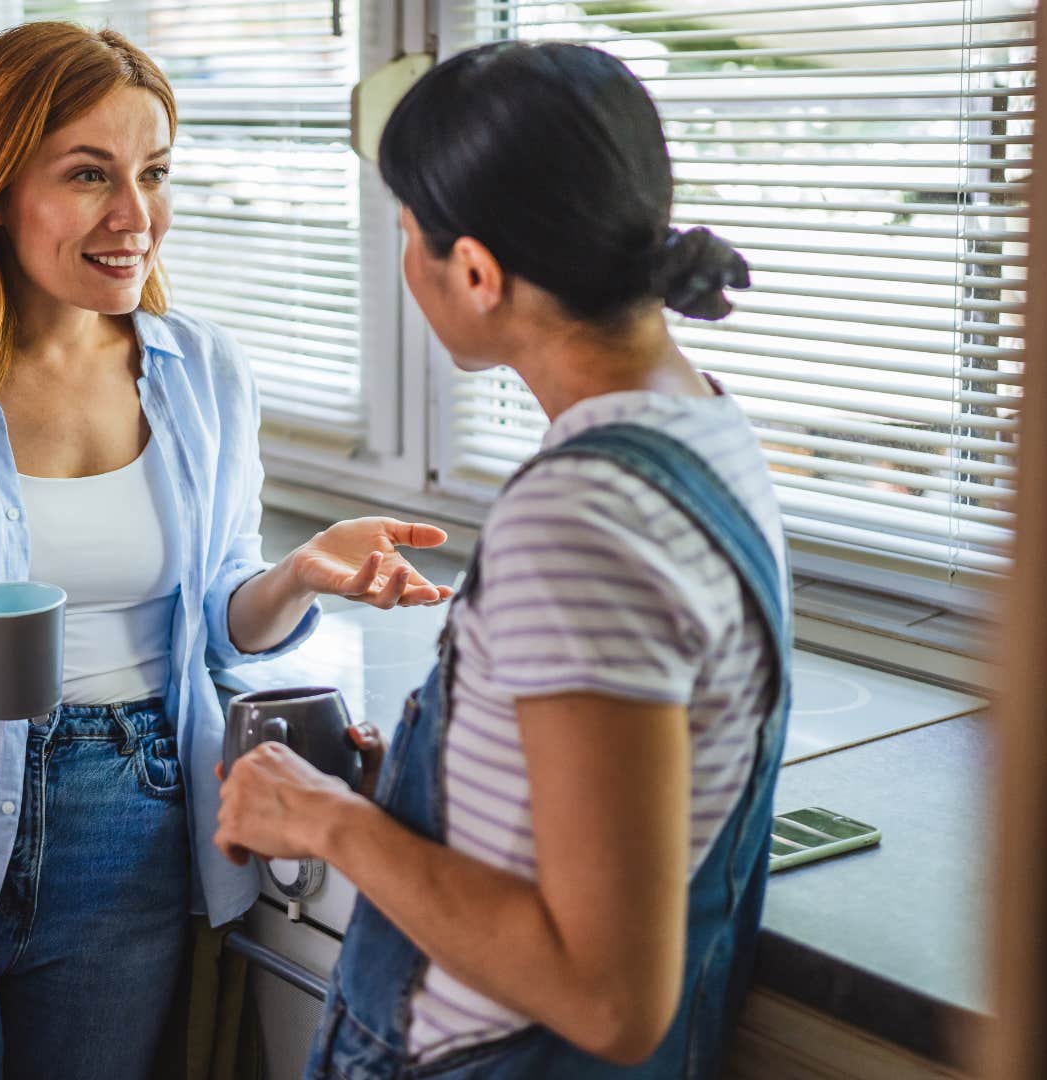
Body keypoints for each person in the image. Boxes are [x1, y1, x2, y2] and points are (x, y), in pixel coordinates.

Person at [0, 21, 453, 1080]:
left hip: (132, 837)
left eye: (154, 173)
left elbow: (219, 615)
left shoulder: (202, 373)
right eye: (90, 176)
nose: (136, 217)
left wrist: (300, 572)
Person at [214, 41, 789, 1079]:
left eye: (406, 235)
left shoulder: (579, 519)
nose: (403, 263)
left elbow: (606, 996)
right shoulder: (704, 428)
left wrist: (328, 819)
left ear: (476, 272)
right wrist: (442, 790)